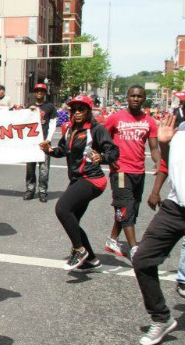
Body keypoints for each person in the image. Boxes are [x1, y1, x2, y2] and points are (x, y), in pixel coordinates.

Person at [40, 95, 119, 271]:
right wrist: (50, 150)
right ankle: (91, 259)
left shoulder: (96, 129)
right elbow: (62, 150)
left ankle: (79, 250)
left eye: (81, 109)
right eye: (73, 109)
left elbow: (113, 151)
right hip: (77, 180)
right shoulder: (68, 128)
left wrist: (102, 157)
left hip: (92, 179)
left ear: (89, 111)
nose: (76, 112)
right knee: (73, 219)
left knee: (62, 208)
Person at [132, 114, 184, 345]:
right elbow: (170, 164)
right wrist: (164, 143)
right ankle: (161, 317)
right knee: (143, 259)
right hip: (175, 208)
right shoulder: (180, 130)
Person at [103, 85, 161, 260]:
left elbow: (153, 146)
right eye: (133, 96)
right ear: (127, 97)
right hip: (120, 171)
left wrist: (159, 163)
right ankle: (134, 248)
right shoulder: (115, 118)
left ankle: (112, 240)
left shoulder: (149, 121)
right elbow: (102, 139)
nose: (136, 99)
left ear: (144, 99)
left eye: (140, 96)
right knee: (125, 206)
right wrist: (108, 156)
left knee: (130, 209)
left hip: (138, 171)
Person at [25, 83, 58, 202]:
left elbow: (53, 123)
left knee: (44, 169)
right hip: (31, 142)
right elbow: (23, 123)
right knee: (30, 168)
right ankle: (30, 190)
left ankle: (42, 191)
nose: (39, 92)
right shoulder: (30, 105)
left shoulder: (50, 107)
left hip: (44, 142)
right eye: (37, 90)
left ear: (45, 93)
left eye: (42, 91)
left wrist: (48, 140)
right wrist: (28, 111)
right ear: (35, 92)